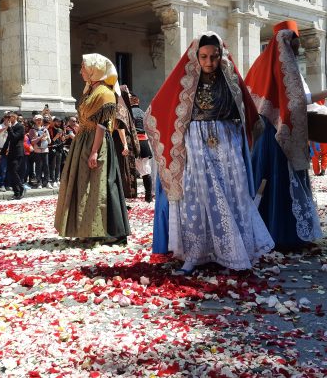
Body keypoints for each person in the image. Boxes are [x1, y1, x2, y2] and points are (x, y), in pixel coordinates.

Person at [146, 33, 273, 273]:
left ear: (221, 56)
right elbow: (165, 108)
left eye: (213, 56)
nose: (209, 62)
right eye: (203, 56)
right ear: (196, 57)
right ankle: (196, 252)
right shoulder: (187, 82)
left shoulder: (230, 80)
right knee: (198, 195)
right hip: (196, 140)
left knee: (231, 192)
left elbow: (245, 110)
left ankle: (234, 250)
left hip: (226, 139)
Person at [245, 21, 327, 250]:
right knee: (282, 183)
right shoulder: (283, 66)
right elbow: (297, 100)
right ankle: (286, 235)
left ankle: (268, 233)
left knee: (268, 183)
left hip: (269, 136)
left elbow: (297, 98)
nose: (297, 51)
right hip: (280, 136)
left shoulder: (263, 64)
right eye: (295, 45)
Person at [55, 54, 130, 243]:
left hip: (97, 142)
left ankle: (107, 231)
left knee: (99, 186)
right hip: (83, 141)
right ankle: (86, 228)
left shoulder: (105, 93)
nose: (80, 71)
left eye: (83, 68)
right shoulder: (90, 91)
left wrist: (95, 150)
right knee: (83, 185)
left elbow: (102, 125)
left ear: (93, 71)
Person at [114, 85, 140, 199]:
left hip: (124, 144)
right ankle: (122, 196)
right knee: (122, 169)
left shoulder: (125, 108)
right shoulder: (120, 107)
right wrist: (125, 144)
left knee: (126, 170)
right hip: (120, 144)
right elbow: (120, 126)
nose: (130, 95)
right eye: (128, 93)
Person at [129, 92, 154, 202]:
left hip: (133, 142)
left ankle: (131, 195)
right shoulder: (143, 113)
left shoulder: (128, 113)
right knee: (145, 170)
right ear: (138, 101)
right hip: (144, 141)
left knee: (130, 168)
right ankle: (148, 196)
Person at [2, 111, 27, 199]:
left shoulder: (20, 126)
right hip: (11, 152)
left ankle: (21, 187)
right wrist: (2, 152)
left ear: (15, 117)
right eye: (8, 117)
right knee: (10, 171)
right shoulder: (11, 127)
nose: (8, 119)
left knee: (14, 170)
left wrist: (9, 128)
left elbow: (14, 138)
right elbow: (8, 140)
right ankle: (16, 192)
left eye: (10, 117)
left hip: (18, 152)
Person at [30, 114, 51, 188]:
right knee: (38, 167)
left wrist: (46, 139)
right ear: (35, 121)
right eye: (37, 120)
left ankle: (47, 181)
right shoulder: (32, 130)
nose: (39, 121)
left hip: (45, 150)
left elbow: (49, 141)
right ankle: (39, 182)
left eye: (40, 120)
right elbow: (32, 142)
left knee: (46, 166)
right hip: (37, 151)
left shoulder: (45, 129)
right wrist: (40, 138)